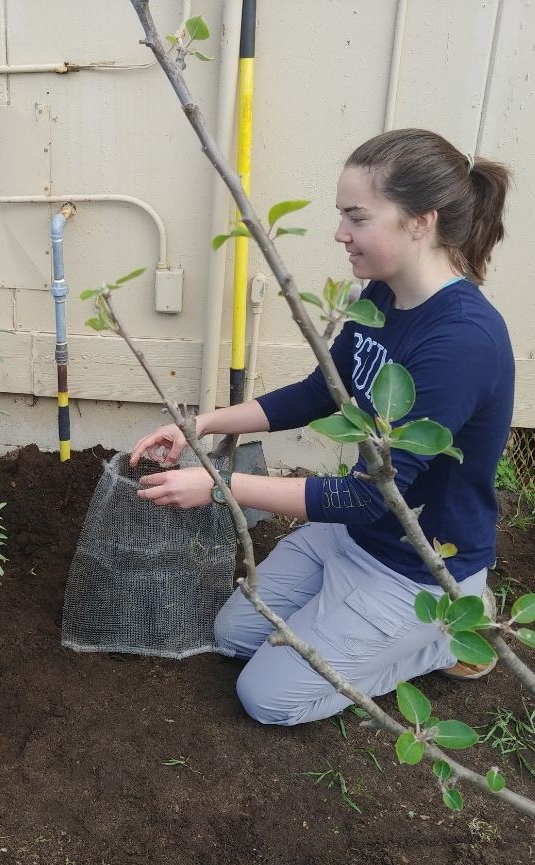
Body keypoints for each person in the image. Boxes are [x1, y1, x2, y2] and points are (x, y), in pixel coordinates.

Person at [131, 128, 514, 726]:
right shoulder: (381, 296)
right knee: (235, 635)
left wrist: (217, 485)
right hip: (353, 536)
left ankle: (447, 628)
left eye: (356, 217)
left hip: (416, 563)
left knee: (268, 697)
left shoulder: (461, 342)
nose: (340, 233)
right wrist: (198, 427)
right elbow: (319, 392)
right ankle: (356, 622)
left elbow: (369, 496)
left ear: (421, 221)